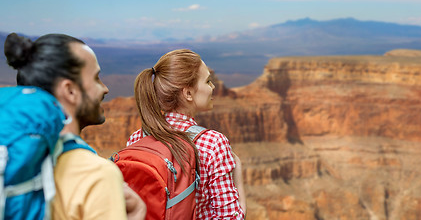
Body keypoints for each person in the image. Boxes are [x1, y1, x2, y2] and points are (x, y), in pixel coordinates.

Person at [4, 33, 146, 219]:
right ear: (70, 91)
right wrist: (137, 213)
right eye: (96, 78)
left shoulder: (9, 158)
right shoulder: (95, 173)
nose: (105, 89)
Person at [128, 49, 246, 219]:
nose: (213, 87)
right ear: (188, 93)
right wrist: (238, 172)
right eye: (208, 81)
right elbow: (230, 217)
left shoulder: (137, 139)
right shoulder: (212, 143)